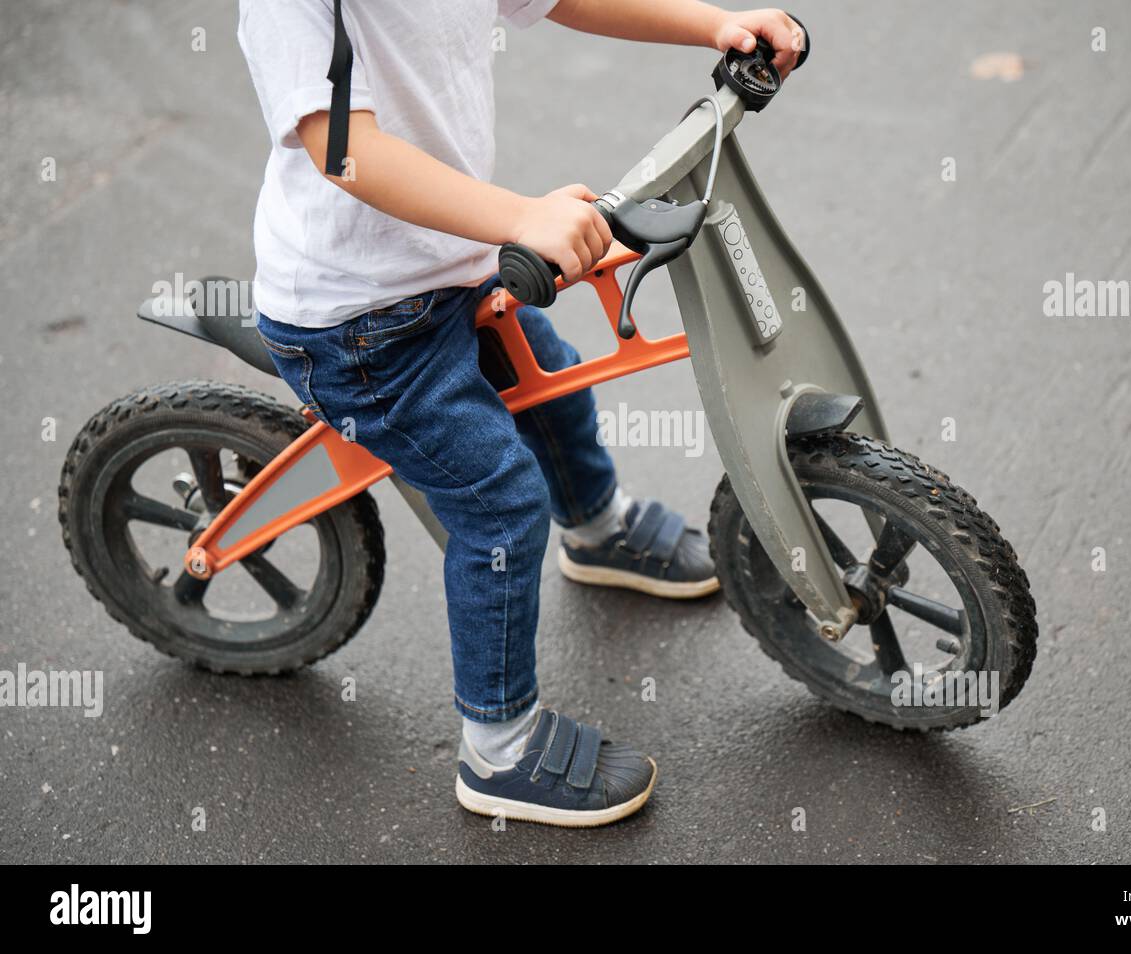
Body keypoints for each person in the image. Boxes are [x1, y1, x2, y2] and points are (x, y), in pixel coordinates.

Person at [237, 0, 802, 827]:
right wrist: (520, 217)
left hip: (450, 267)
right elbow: (342, 148)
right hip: (359, 322)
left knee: (554, 383)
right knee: (498, 501)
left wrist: (710, 24)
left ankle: (597, 529)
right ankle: (498, 749)